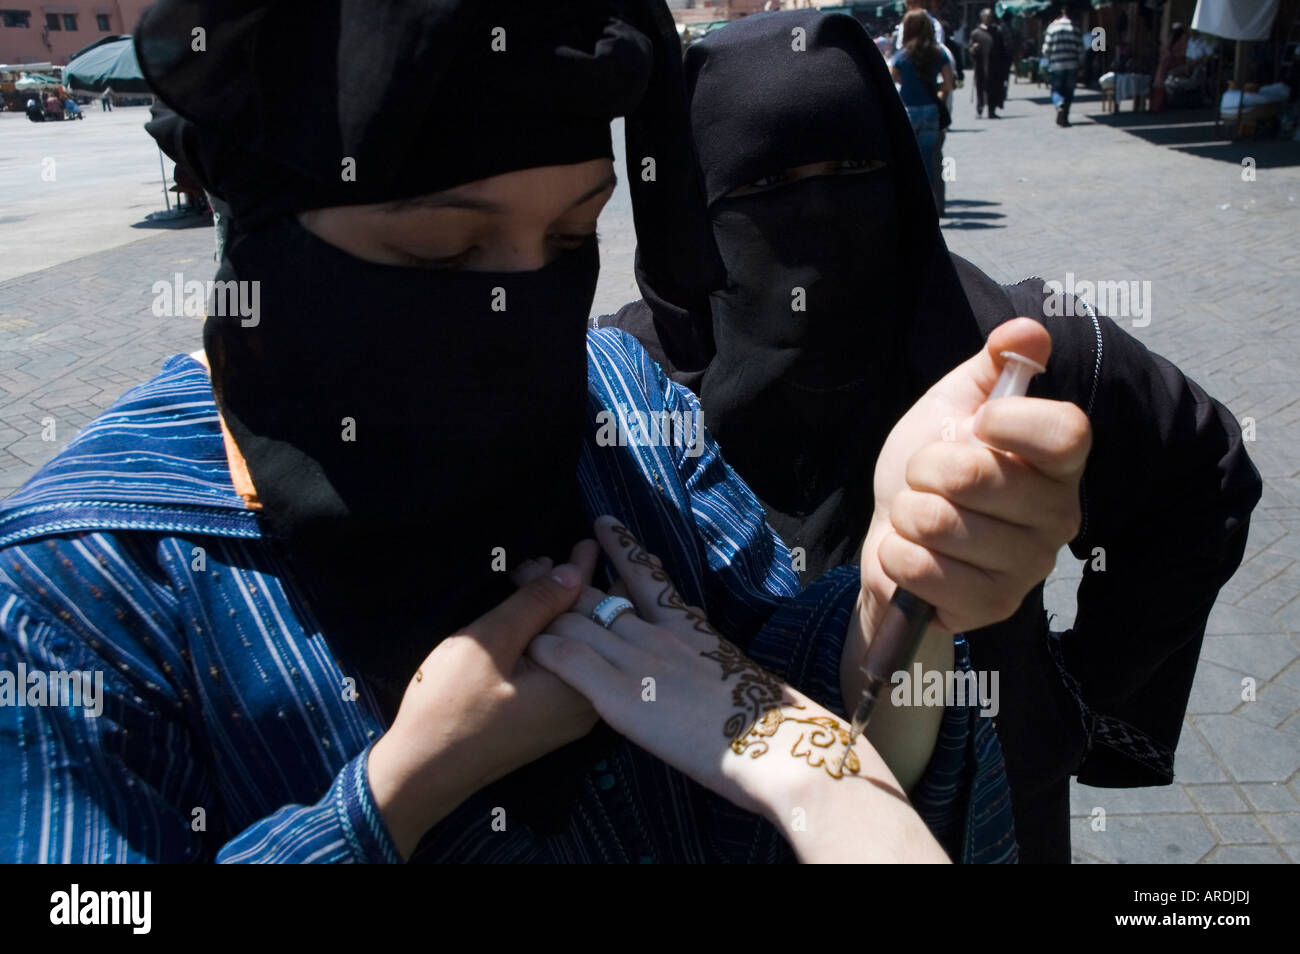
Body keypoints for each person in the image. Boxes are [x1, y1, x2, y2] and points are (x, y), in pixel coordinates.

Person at [0, 0, 1093, 864]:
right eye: (439, 254)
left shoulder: (618, 400)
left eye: (573, 235)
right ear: (266, 239)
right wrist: (397, 796)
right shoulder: (80, 591)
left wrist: (904, 589)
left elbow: (787, 677)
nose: (518, 308)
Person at [596, 9, 1261, 863]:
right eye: (767, 189)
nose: (820, 214)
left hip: (997, 809)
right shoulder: (627, 386)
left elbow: (1202, 471)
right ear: (692, 208)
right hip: (711, 821)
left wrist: (1072, 695)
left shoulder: (1012, 350)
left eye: (851, 169)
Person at [891, 9, 952, 212]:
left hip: (908, 110)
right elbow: (949, 83)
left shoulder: (902, 55)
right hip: (930, 111)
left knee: (909, 159)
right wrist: (937, 94)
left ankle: (915, 205)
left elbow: (894, 77)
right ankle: (934, 203)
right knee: (930, 159)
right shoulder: (938, 53)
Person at [1042, 3, 1083, 126]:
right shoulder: (1075, 28)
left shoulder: (1052, 27)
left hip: (1056, 66)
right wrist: (1080, 64)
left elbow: (1045, 50)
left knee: (1056, 90)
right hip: (1072, 65)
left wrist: (1050, 58)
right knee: (1069, 92)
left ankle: (1059, 104)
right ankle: (1065, 118)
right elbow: (1081, 50)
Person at [969, 7, 1010, 118]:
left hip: (995, 66)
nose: (989, 19)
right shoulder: (976, 33)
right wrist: (974, 48)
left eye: (991, 17)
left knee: (994, 88)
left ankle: (992, 111)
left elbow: (1003, 49)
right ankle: (980, 108)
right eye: (987, 17)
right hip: (981, 65)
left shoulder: (997, 31)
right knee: (980, 88)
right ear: (982, 18)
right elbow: (971, 49)